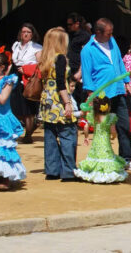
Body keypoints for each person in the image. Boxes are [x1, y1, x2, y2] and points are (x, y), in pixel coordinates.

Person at [80, 19, 131, 171]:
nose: (111, 35)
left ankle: (126, 159)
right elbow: (86, 73)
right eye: (108, 33)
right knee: (102, 128)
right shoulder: (87, 50)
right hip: (101, 94)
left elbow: (119, 61)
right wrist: (90, 95)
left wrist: (126, 81)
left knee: (124, 126)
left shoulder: (112, 42)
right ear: (98, 32)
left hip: (118, 90)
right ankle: (102, 159)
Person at [38, 27, 78, 181]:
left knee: (50, 135)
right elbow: (61, 83)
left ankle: (52, 170)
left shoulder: (44, 58)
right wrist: (67, 103)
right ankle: (68, 171)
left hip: (47, 101)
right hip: (58, 101)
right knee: (68, 135)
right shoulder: (60, 58)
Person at [74, 95, 128, 183]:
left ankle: (93, 173)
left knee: (95, 155)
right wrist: (113, 136)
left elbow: (86, 127)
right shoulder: (110, 117)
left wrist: (86, 137)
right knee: (107, 155)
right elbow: (113, 130)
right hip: (105, 142)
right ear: (108, 106)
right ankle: (107, 174)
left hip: (96, 142)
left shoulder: (93, 117)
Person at [0, 53, 25, 190]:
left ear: (1, 67)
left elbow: (2, 100)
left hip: (1, 119)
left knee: (3, 148)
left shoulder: (8, 80)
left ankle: (4, 177)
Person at [10, 23, 42, 143]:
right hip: (16, 75)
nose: (26, 34)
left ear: (32, 34)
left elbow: (40, 64)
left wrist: (27, 70)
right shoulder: (16, 45)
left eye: (28, 32)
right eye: (23, 31)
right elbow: (12, 62)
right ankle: (26, 127)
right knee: (15, 104)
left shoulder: (36, 47)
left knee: (28, 107)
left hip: (28, 77)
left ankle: (28, 135)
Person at [66, 13, 91, 105]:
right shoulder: (69, 35)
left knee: (78, 96)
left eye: (70, 24)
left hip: (78, 71)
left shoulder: (85, 36)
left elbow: (86, 56)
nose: (68, 27)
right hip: (69, 69)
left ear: (77, 24)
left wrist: (79, 72)